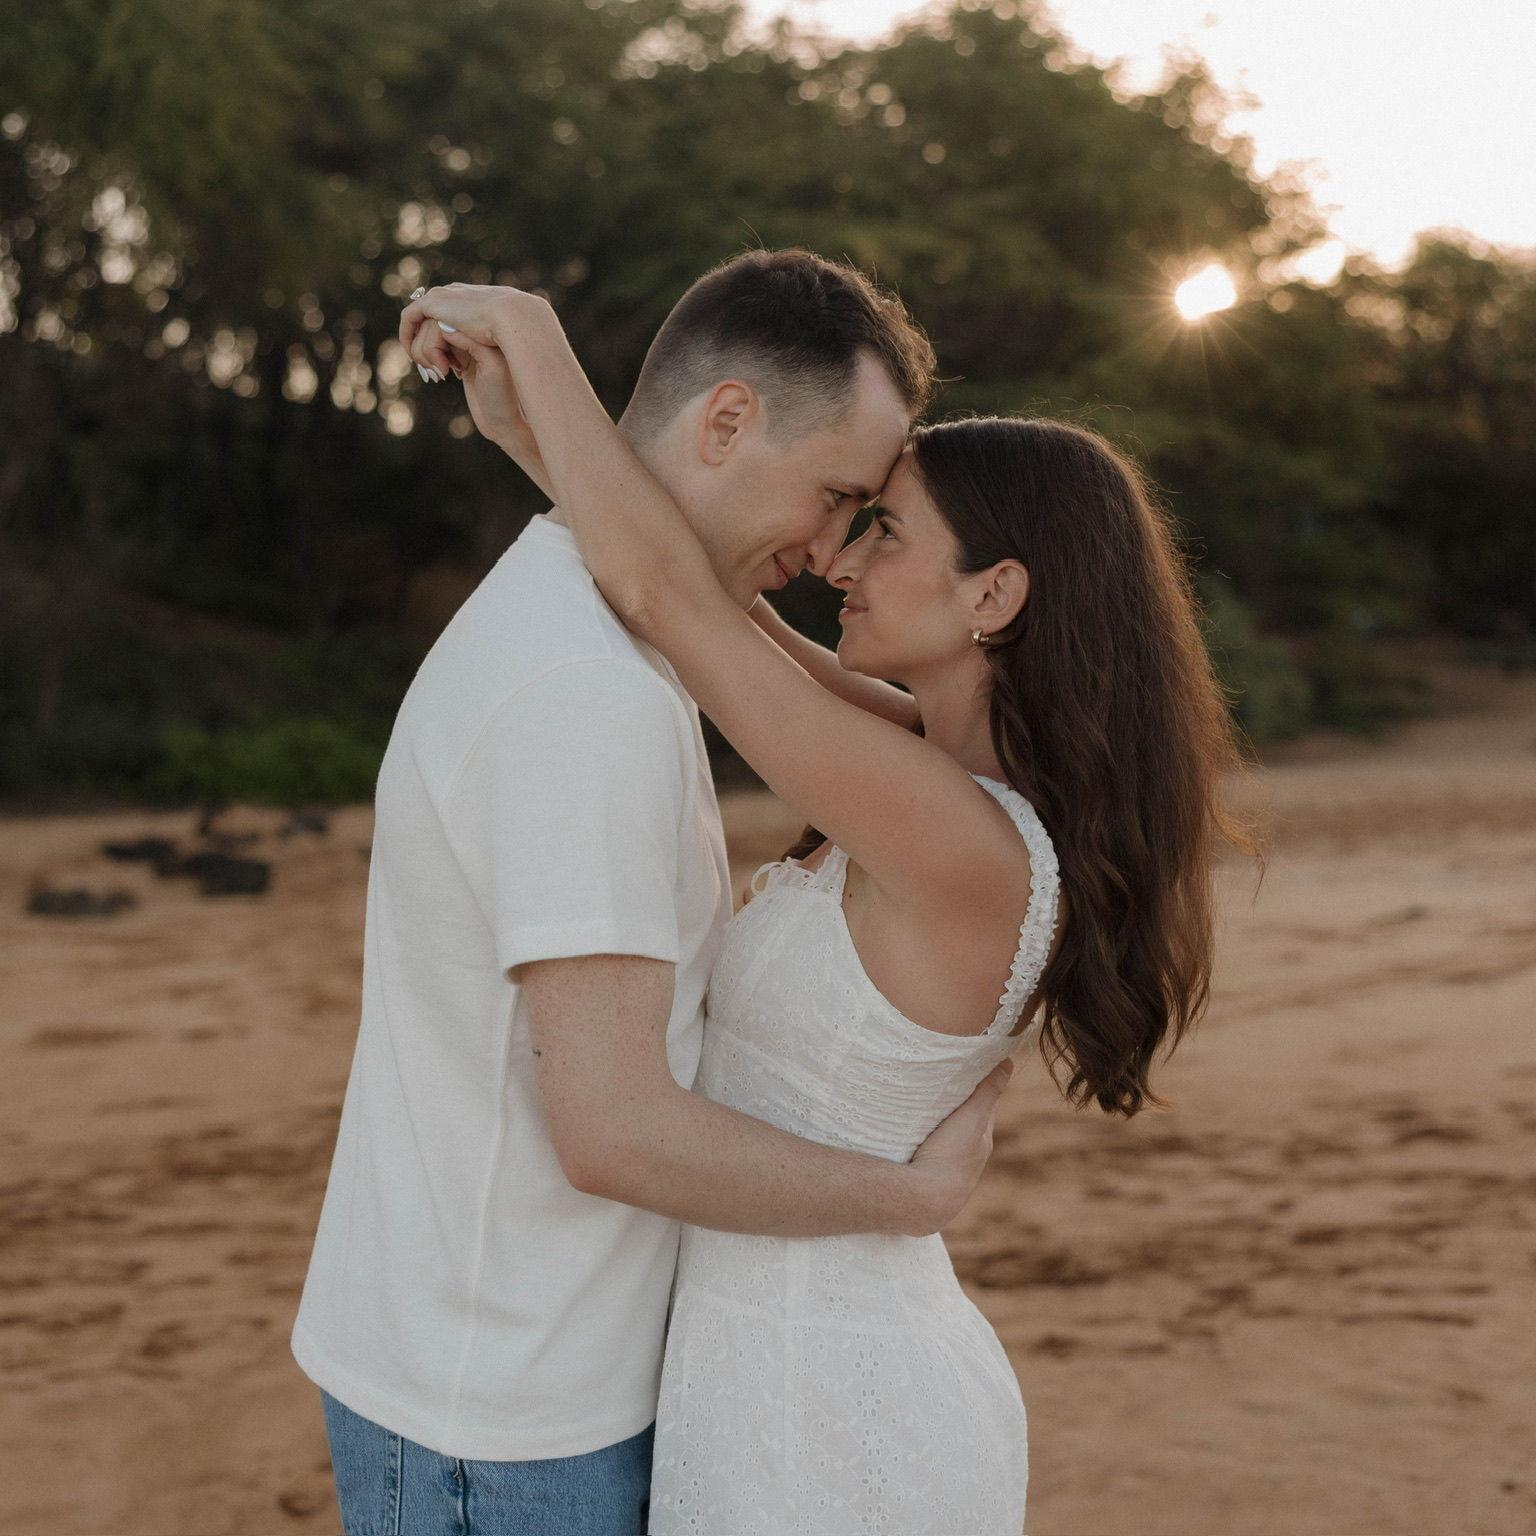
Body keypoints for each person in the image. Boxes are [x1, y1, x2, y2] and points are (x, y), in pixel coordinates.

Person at [402, 276, 1264, 1533]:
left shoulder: (957, 838)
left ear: (993, 596)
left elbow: (673, 603)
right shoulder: (926, 766)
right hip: (776, 1364)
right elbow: (711, 598)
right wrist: (533, 439)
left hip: (825, 1403)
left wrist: (538, 339)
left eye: (885, 532)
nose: (837, 560)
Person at [290, 249, 1020, 1536]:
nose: (831, 551)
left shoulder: (609, 636)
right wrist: (907, 1200)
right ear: (727, 420)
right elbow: (615, 1129)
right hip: (508, 1415)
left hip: (518, 1366)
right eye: (838, 496)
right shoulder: (588, 692)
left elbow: (687, 598)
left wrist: (552, 434)